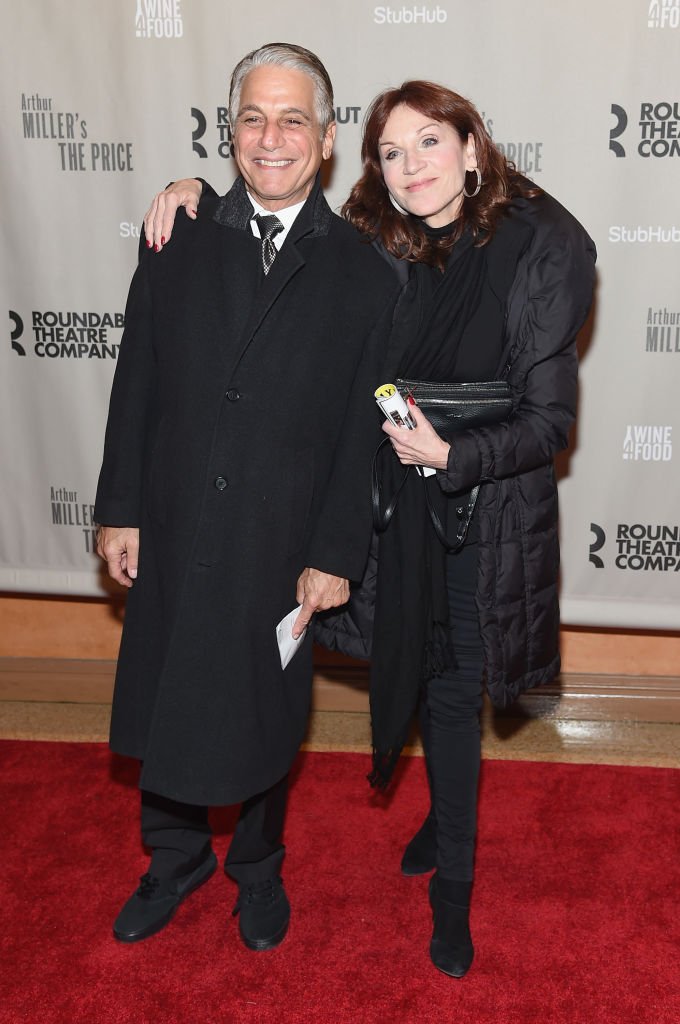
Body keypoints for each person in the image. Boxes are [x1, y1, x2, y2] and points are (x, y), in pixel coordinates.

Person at [145, 82, 596, 978]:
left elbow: (550, 426)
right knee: (413, 677)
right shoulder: (372, 248)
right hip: (387, 515)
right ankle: (422, 820)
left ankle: (452, 898)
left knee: (455, 702)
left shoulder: (537, 252)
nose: (412, 166)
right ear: (376, 172)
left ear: (473, 148)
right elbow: (279, 226)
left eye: (430, 143)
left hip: (484, 515)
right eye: (392, 153)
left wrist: (450, 455)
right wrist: (190, 193)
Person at [94, 43, 399, 952]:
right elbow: (135, 383)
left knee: (267, 716)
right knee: (166, 694)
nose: (273, 138)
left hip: (283, 541)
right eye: (253, 118)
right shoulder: (175, 234)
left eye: (294, 118)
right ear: (228, 132)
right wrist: (120, 508)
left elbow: (361, 435)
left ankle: (257, 867)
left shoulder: (362, 273)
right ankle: (174, 856)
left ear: (330, 136)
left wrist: (337, 553)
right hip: (179, 521)